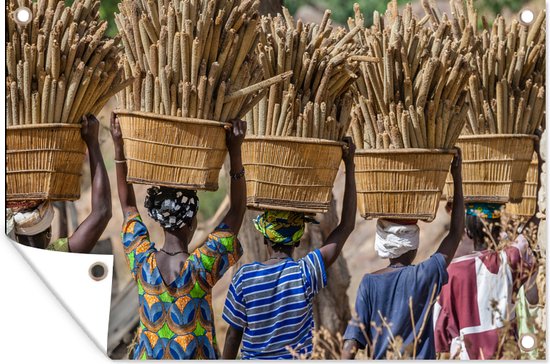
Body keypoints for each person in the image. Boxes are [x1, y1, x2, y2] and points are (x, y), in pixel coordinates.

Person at [111, 112, 247, 360]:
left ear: (159, 220)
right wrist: (235, 151)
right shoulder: (201, 268)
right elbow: (237, 211)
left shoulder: (142, 263)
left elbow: (128, 206)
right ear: (192, 222)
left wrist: (119, 148)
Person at [221, 138, 357, 360]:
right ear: (296, 241)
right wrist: (350, 166)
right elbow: (346, 226)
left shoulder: (245, 277)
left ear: (265, 239)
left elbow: (233, 336)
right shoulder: (305, 273)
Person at [342, 150, 464, 360]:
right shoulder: (426, 274)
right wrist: (457, 175)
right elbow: (455, 233)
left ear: (383, 244)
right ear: (414, 246)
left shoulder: (369, 283)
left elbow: (351, 345)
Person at [6, 115, 112, 253]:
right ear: (48, 234)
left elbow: (102, 213)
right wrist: (92, 143)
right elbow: (102, 212)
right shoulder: (55, 260)